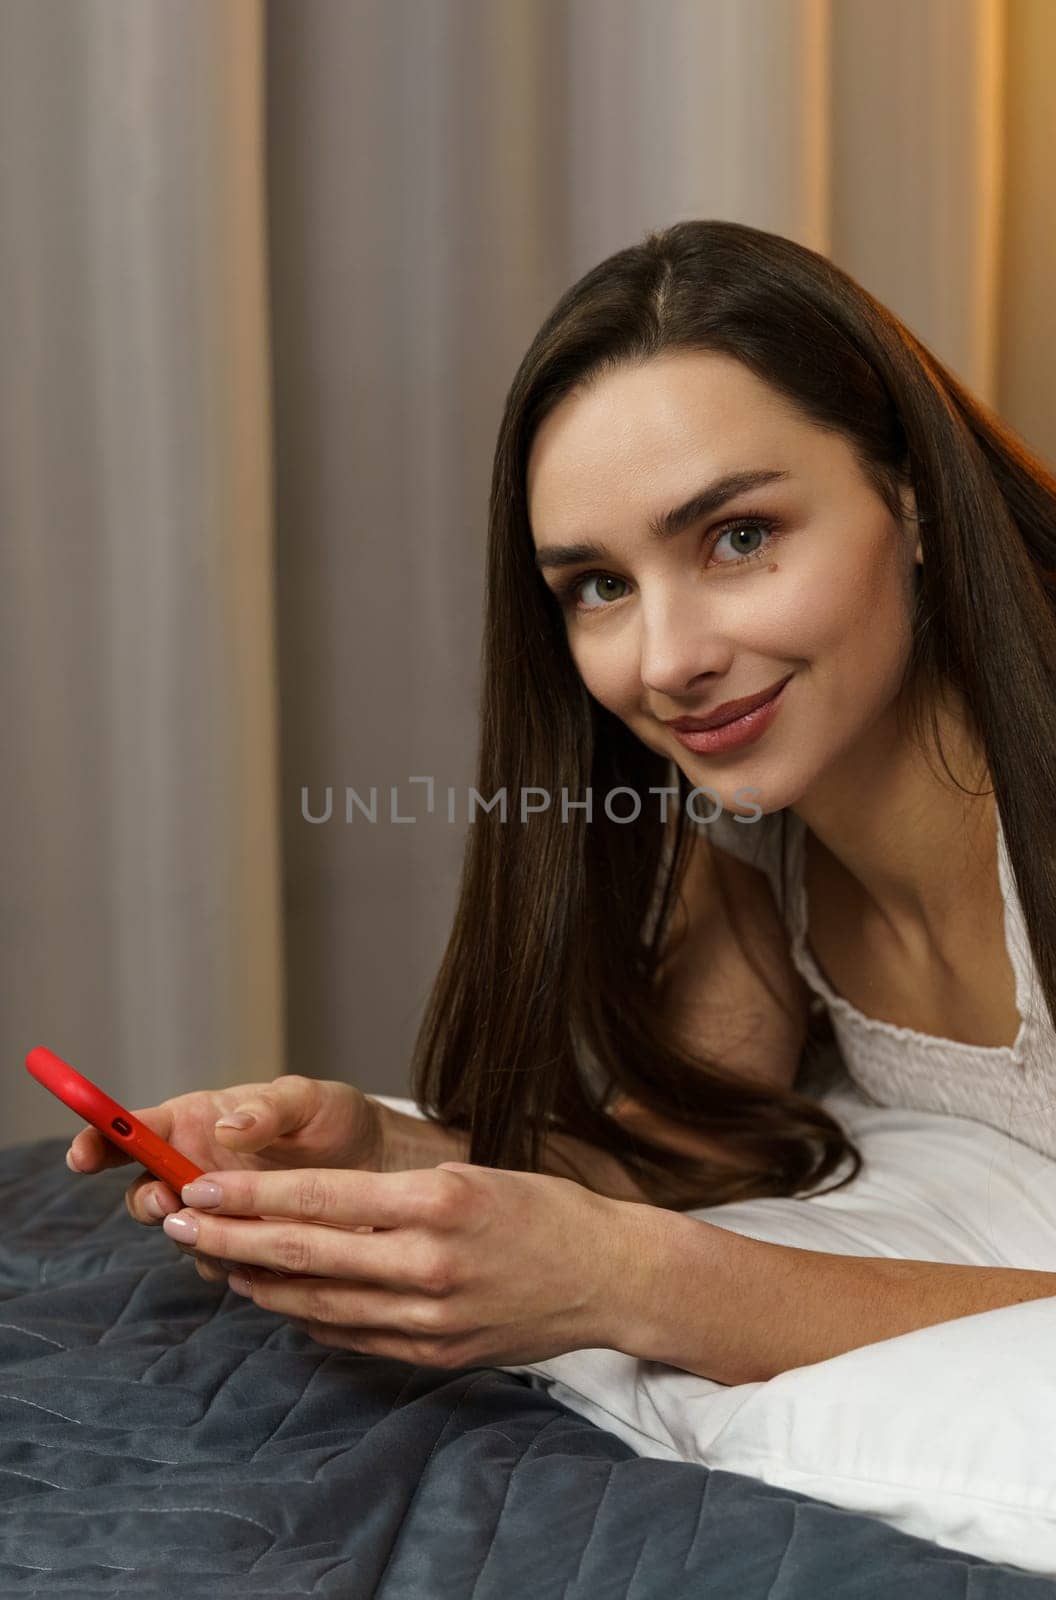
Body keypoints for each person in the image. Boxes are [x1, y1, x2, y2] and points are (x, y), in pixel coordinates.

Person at [68, 220, 1056, 1381]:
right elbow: (686, 1150)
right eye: (598, 586)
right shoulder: (748, 829)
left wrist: (634, 1280)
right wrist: (386, 1152)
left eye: (740, 536)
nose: (665, 658)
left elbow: (635, 1250)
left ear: (916, 502)